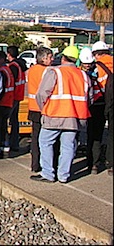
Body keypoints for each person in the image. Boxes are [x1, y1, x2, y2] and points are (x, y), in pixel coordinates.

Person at [31, 45, 92, 184]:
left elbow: (41, 94)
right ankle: (64, 175)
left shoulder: (54, 72)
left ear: (63, 58)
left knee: (45, 142)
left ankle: (48, 173)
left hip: (54, 114)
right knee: (68, 146)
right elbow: (90, 98)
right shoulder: (83, 75)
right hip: (75, 117)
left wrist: (44, 109)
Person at [25, 46, 54, 173]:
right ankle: (46, 164)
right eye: (50, 57)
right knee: (46, 139)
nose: (52, 59)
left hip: (33, 107)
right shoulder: (48, 71)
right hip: (44, 108)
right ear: (44, 58)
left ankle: (35, 165)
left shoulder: (31, 70)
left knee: (35, 138)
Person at [79, 47, 106, 174]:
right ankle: (94, 163)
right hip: (100, 105)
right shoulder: (100, 70)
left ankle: (91, 163)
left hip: (88, 106)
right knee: (96, 135)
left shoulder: (79, 73)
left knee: (88, 135)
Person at [91, 41, 113, 176]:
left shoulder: (96, 67)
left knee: (96, 133)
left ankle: (94, 164)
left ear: (96, 54)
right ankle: (111, 165)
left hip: (99, 101)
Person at [4, 45, 27, 153]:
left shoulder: (13, 66)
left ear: (9, 54)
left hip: (12, 97)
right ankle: (14, 144)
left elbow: (11, 82)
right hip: (18, 96)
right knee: (14, 121)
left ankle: (6, 143)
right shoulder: (20, 65)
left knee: (5, 120)